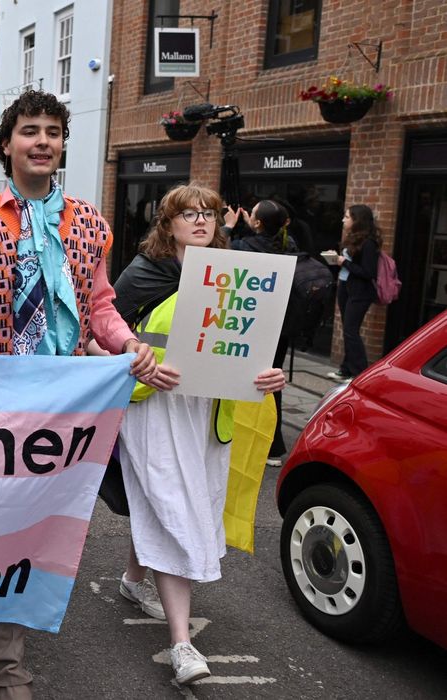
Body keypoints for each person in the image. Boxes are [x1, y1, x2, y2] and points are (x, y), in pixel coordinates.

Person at [0, 90, 156, 700]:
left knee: (43, 529)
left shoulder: (89, 224)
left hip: (65, 408)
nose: (43, 141)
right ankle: (7, 671)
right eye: (30, 131)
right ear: (7, 144)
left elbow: (99, 306)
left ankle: (10, 630)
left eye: (53, 131)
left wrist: (128, 343)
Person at [112, 183, 285, 686]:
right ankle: (182, 643)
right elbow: (99, 336)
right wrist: (136, 365)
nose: (200, 220)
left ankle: (131, 579)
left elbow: (249, 350)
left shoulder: (238, 279)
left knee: (177, 505)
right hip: (154, 410)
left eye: (208, 212)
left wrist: (268, 376)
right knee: (173, 509)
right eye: (187, 213)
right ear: (167, 224)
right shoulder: (143, 275)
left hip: (209, 414)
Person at [225, 200, 298, 466]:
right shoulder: (289, 245)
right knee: (272, 380)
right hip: (280, 324)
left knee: (242, 376)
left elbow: (218, 254)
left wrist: (229, 226)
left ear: (256, 222)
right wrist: (254, 225)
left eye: (253, 215)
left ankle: (235, 435)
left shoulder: (243, 246)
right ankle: (273, 446)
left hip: (249, 322)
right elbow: (268, 237)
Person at [327, 204, 381, 381]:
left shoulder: (369, 244)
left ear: (357, 220)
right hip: (345, 287)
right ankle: (346, 369)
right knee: (347, 330)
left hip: (360, 292)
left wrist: (344, 262)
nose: (343, 219)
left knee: (351, 330)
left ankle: (360, 373)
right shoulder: (353, 238)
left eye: (347, 217)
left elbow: (368, 272)